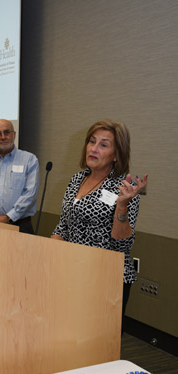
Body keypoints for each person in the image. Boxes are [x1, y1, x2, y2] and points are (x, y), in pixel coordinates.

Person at [51, 119, 148, 331]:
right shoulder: (77, 179)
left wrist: (121, 206)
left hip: (106, 277)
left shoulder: (124, 187)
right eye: (92, 141)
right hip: (74, 271)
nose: (94, 149)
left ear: (116, 154)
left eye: (103, 144)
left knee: (98, 342)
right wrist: (44, 255)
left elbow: (123, 244)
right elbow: (63, 227)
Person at [0, 119, 39, 233]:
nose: (3, 137)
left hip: (20, 226)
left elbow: (30, 194)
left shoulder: (29, 160)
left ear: (14, 134)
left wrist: (9, 216)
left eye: (6, 132)